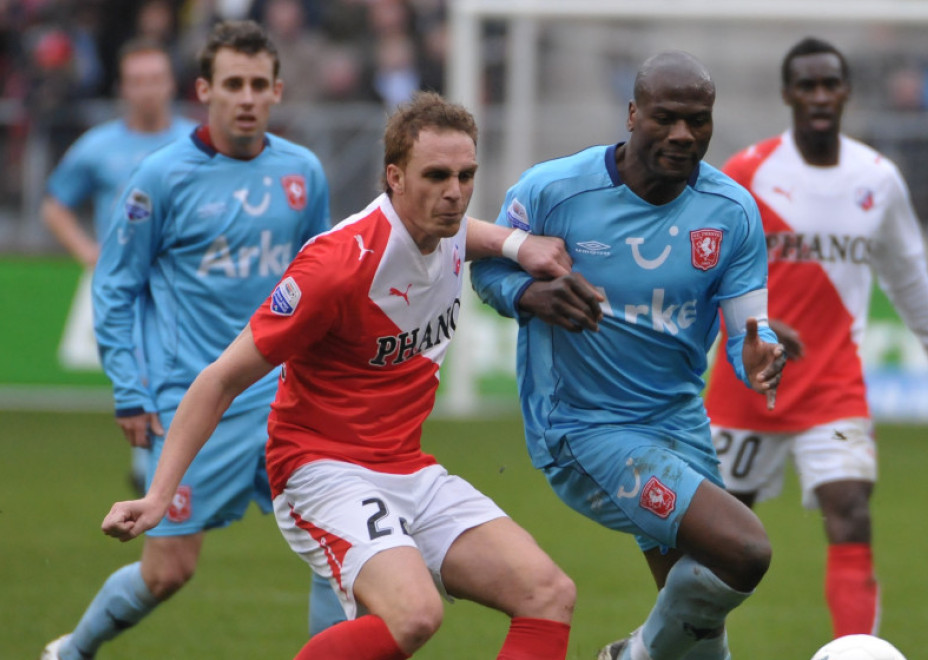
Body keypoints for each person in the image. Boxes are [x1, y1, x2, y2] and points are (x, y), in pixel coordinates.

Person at [100, 90, 577, 660]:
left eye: (466, 174)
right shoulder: (336, 266)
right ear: (394, 177)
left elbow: (466, 233)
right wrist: (159, 495)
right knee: (414, 615)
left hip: (406, 467)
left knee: (549, 593)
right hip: (321, 469)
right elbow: (220, 379)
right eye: (436, 175)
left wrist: (520, 244)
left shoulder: (444, 226)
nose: (453, 192)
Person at [42, 21, 345, 660]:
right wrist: (130, 387)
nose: (247, 97)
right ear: (205, 89)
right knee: (167, 572)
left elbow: (317, 281)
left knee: (334, 549)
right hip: (194, 402)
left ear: (278, 92)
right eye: (233, 83)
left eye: (259, 85)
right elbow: (116, 287)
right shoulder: (161, 177)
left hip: (281, 400)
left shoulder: (303, 173)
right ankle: (70, 652)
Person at [471, 51, 787, 660]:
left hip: (678, 423)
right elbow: (485, 268)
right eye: (666, 118)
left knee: (697, 636)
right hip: (583, 428)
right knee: (745, 550)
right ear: (632, 113)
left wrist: (760, 355)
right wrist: (531, 294)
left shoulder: (732, 212)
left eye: (699, 120)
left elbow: (753, 334)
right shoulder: (553, 190)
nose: (683, 135)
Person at [701, 36, 928, 640]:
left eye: (831, 84)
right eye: (808, 85)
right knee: (720, 542)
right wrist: (755, 324)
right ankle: (675, 648)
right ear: (788, 94)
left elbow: (910, 282)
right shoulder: (747, 173)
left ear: (847, 91)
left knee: (850, 513)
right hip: (748, 382)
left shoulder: (877, 179)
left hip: (833, 384)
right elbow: (705, 274)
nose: (821, 96)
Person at [42, 39, 196, 493]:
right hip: (129, 284)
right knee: (144, 368)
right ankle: (150, 462)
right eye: (137, 81)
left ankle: (168, 463)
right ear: (123, 88)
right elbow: (55, 203)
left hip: (185, 281)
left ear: (171, 84)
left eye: (155, 79)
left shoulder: (196, 142)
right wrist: (86, 250)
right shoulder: (98, 146)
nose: (147, 90)